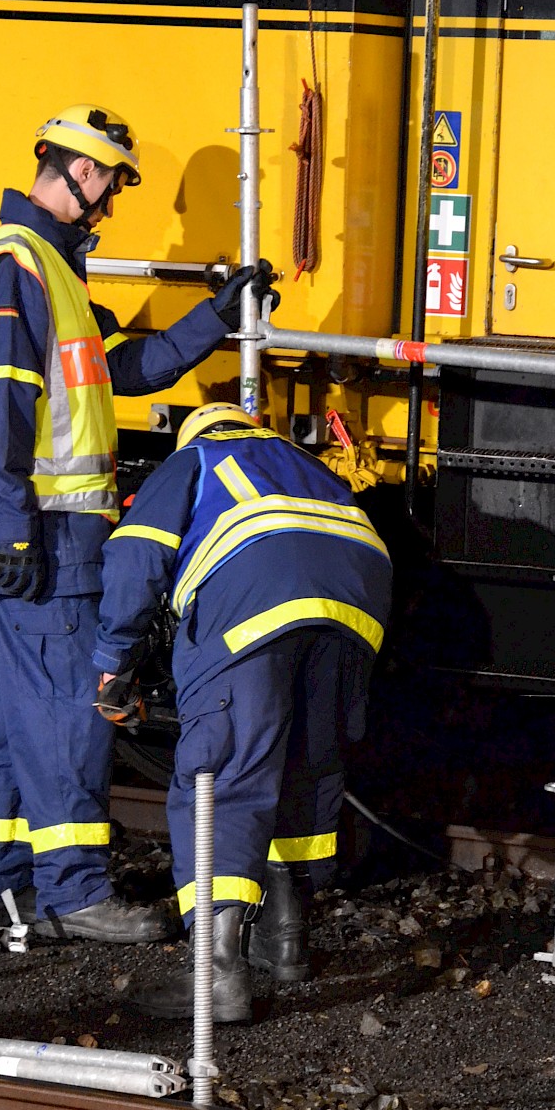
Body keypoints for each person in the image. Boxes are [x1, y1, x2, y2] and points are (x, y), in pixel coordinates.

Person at [0, 104, 277, 942]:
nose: (110, 208)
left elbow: (129, 368)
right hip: (44, 538)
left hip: (37, 534)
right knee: (67, 712)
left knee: (7, 713)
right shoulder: (22, 265)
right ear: (82, 172)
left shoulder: (51, 272)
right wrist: (19, 521)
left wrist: (217, 316)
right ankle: (74, 894)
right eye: (112, 189)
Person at [91, 401, 393, 1022]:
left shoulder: (194, 459)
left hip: (253, 604)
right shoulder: (306, 466)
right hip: (356, 613)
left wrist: (115, 659)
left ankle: (217, 975)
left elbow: (137, 554)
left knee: (223, 776)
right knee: (302, 768)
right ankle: (285, 943)